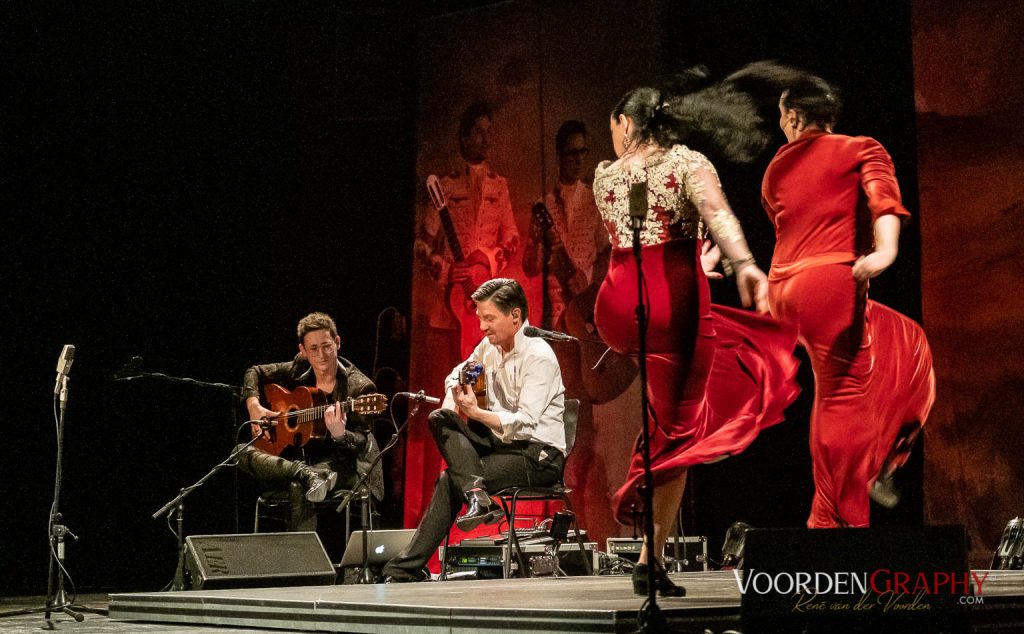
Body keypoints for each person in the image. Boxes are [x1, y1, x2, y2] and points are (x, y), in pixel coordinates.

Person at [593, 76, 801, 597]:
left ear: (625, 123)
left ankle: (651, 476)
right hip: (672, 306)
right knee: (681, 437)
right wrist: (746, 265)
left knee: (684, 397)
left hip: (616, 306)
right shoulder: (687, 163)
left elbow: (653, 230)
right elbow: (716, 214)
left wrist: (695, 255)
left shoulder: (605, 175)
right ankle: (649, 556)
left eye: (613, 128)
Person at [756, 66, 935, 528]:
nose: (781, 125)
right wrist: (886, 252)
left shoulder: (777, 166)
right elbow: (883, 202)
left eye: (781, 115)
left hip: (784, 292)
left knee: (907, 340)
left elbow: (784, 219)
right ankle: (844, 523)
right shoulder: (861, 148)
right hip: (831, 284)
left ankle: (862, 480)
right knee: (844, 395)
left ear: (795, 117)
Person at [382, 278, 566, 582]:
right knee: (440, 418)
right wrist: (459, 392)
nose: (482, 326)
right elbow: (459, 373)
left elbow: (525, 423)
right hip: (499, 446)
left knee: (450, 479)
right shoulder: (489, 349)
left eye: (489, 318)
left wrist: (477, 412)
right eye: (480, 318)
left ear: (515, 316)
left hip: (538, 456)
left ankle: (404, 569)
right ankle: (477, 495)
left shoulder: (539, 356)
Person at [235, 312, 383, 529]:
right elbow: (254, 371)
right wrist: (253, 406)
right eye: (313, 349)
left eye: (326, 346)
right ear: (302, 350)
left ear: (337, 342)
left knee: (299, 486)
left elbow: (362, 441)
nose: (321, 354)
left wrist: (340, 435)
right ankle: (306, 474)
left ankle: (303, 558)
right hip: (304, 460)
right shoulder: (299, 367)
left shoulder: (359, 387)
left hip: (348, 465)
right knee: (240, 451)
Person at [414, 101, 520, 357]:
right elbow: (421, 245)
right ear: (464, 138)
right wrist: (447, 270)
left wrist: (489, 258)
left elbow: (513, 238)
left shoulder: (499, 185)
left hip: (486, 297)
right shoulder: (445, 185)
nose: (486, 139)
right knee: (455, 371)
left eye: (489, 132)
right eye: (478, 132)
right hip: (450, 301)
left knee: (488, 372)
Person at [523, 119, 610, 329]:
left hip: (587, 307)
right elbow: (530, 269)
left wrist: (588, 276)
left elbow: (608, 253)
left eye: (583, 152)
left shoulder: (594, 200)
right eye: (572, 153)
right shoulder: (543, 204)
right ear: (559, 155)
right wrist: (535, 243)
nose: (579, 160)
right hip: (554, 313)